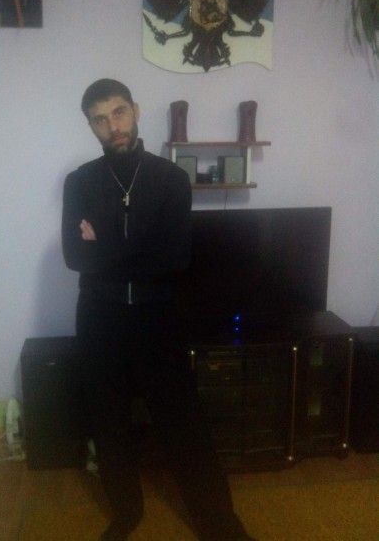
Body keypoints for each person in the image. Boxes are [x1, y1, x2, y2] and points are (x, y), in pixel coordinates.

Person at [62, 79, 256, 541]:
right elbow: (74, 257)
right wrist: (134, 247)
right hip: (99, 317)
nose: (113, 126)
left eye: (119, 112)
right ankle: (126, 512)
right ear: (90, 126)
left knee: (183, 423)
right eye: (100, 119)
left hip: (158, 316)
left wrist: (104, 245)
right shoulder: (80, 181)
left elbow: (174, 258)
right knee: (108, 421)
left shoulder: (170, 178)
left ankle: (219, 523)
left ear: (135, 109)